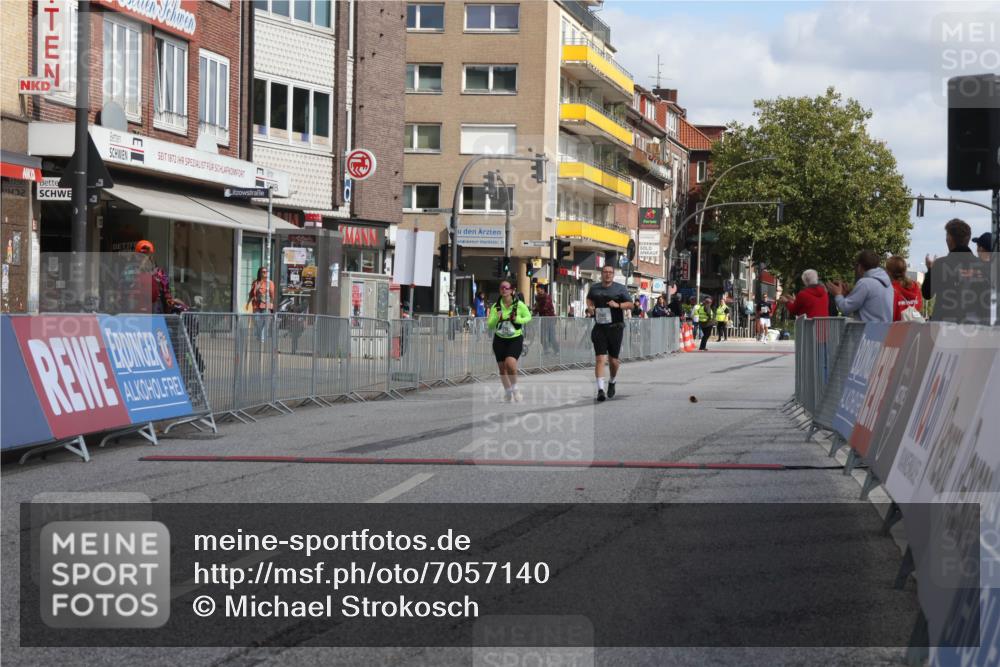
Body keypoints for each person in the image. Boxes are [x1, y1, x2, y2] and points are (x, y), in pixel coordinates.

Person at [922, 219, 990, 324]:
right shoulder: (983, 267)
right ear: (968, 239)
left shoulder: (940, 264)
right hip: (974, 330)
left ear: (949, 239)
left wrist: (930, 270)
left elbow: (927, 294)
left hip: (943, 328)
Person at [586, 264, 632, 402]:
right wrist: (590, 307)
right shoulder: (594, 288)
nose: (607, 274)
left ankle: (612, 381)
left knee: (613, 361)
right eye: (605, 272)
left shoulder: (620, 288)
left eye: (610, 272)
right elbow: (589, 299)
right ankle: (600, 390)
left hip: (615, 328)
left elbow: (630, 304)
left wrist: (618, 305)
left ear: (613, 274)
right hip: (600, 327)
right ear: (602, 274)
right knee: (600, 359)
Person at [487, 279, 532, 402]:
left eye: (506, 288)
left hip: (515, 338)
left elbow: (528, 317)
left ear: (512, 290)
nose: (504, 290)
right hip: (499, 340)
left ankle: (515, 390)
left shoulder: (519, 305)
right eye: (502, 287)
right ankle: (508, 392)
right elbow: (490, 325)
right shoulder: (495, 306)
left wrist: (517, 319)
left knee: (510, 364)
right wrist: (497, 317)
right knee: (502, 368)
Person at [826, 250, 893, 323]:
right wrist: (848, 294)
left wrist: (838, 294)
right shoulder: (887, 283)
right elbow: (869, 304)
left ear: (860, 266)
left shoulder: (865, 283)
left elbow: (845, 308)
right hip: (884, 331)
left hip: (867, 332)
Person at [885, 256, 922, 322]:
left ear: (889, 272)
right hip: (914, 329)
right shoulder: (915, 286)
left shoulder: (889, 289)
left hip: (895, 329)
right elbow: (919, 306)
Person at [247, 266, 276, 341]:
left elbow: (272, 295)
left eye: (266, 272)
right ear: (259, 273)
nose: (265, 273)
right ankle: (260, 335)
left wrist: (271, 304)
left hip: (266, 305)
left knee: (266, 321)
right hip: (256, 305)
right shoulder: (255, 282)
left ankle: (262, 337)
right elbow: (251, 294)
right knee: (257, 321)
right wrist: (248, 303)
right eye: (263, 272)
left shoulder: (270, 283)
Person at [533, 283, 558, 354]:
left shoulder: (547, 297)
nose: (537, 291)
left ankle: (556, 350)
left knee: (551, 336)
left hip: (550, 319)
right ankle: (546, 350)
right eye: (536, 290)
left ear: (542, 289)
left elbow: (545, 307)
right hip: (543, 319)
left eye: (538, 290)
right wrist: (533, 311)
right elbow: (536, 306)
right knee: (542, 336)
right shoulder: (537, 297)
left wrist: (537, 308)